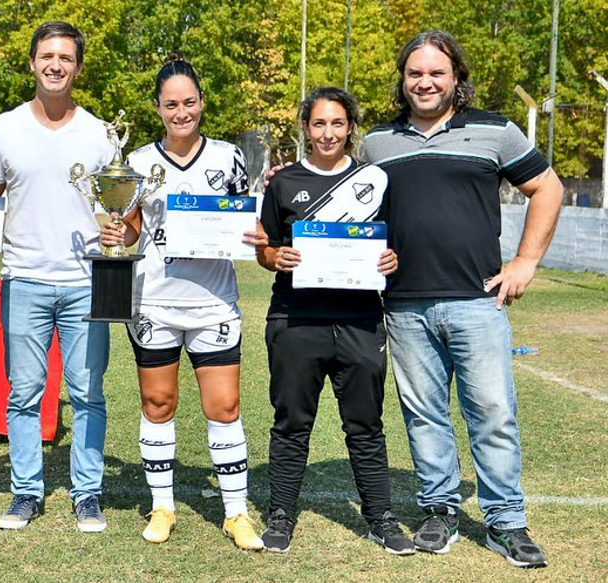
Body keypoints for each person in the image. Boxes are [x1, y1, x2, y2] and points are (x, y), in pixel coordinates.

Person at [362, 30, 563, 567]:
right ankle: (439, 511)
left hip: (478, 301)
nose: (425, 82)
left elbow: (548, 187)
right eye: (415, 73)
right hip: (404, 305)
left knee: (493, 414)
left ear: (456, 78)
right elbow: (354, 213)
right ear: (403, 79)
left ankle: (506, 522)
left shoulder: (496, 131)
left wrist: (526, 261)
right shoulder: (377, 143)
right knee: (423, 415)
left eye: (437, 73)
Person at [99, 54, 263, 550]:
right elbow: (133, 229)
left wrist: (252, 235)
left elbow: (243, 220)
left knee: (225, 406)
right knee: (158, 403)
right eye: (171, 104)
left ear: (201, 103)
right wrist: (117, 232)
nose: (181, 112)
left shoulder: (229, 157)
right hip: (155, 301)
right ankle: (162, 506)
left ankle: (236, 513)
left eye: (189, 102)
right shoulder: (138, 163)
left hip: (213, 302)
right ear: (158, 107)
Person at [247, 87, 413, 555]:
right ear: (306, 127)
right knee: (291, 423)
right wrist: (275, 256)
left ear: (350, 127)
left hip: (360, 321)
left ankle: (380, 517)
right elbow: (265, 249)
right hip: (296, 320)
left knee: (365, 424)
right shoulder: (283, 183)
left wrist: (391, 261)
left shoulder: (374, 181)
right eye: (319, 123)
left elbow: (391, 247)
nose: (328, 133)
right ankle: (281, 514)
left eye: (337, 123)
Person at [0, 21, 114, 533]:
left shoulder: (102, 133)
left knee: (88, 393)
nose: (55, 65)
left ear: (78, 68)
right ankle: (26, 492)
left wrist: (119, 230)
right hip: (23, 279)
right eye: (47, 56)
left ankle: (87, 494)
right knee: (24, 393)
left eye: (65, 58)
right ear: (33, 62)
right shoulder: (6, 127)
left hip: (86, 283)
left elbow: (121, 210)